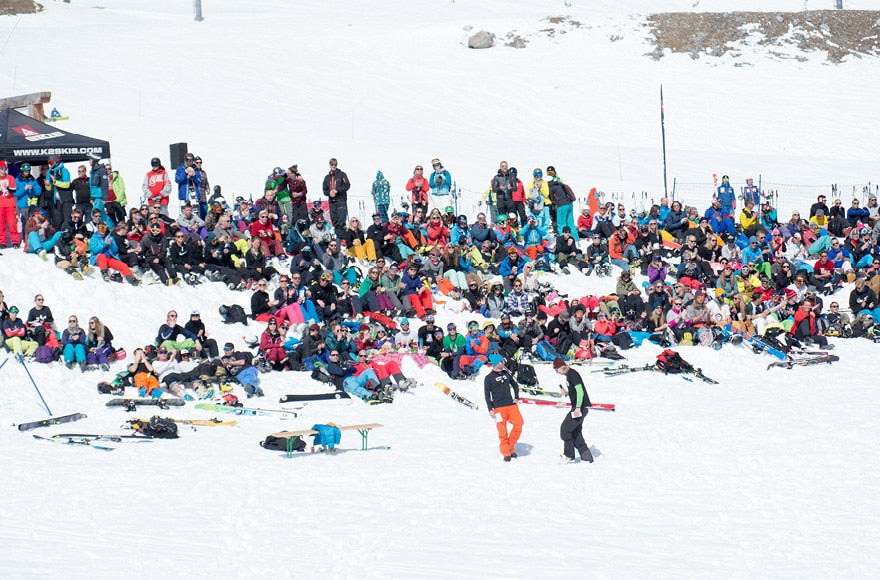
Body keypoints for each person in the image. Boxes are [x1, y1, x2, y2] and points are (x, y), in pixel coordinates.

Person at [553, 357, 594, 463]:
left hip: (580, 408)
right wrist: (566, 393)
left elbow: (580, 391)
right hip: (579, 407)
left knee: (565, 429)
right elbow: (575, 392)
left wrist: (578, 408)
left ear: (561, 367)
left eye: (556, 369)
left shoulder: (572, 374)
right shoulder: (569, 375)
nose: (556, 372)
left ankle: (569, 455)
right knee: (576, 433)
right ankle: (587, 456)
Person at [483, 354, 523, 462]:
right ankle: (506, 451)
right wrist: (490, 409)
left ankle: (511, 445)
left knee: (519, 423)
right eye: (501, 361)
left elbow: (515, 385)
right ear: (496, 363)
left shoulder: (506, 373)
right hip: (498, 408)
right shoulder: (488, 378)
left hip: (511, 405)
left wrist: (516, 397)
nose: (503, 363)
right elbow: (487, 395)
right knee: (502, 431)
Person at [322, 158, 350, 235]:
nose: (334, 166)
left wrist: (337, 190)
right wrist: (329, 193)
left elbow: (347, 185)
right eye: (332, 165)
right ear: (329, 165)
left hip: (341, 200)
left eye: (335, 165)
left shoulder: (342, 174)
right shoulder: (327, 177)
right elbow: (324, 190)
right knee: (334, 220)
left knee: (341, 221)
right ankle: (338, 238)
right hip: (332, 202)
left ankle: (343, 239)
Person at [0, 161, 20, 248]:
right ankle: (2, 242)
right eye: (2, 169)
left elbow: (14, 188)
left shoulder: (10, 177)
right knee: (1, 224)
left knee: (12, 224)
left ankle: (15, 241)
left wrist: (7, 188)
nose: (4, 171)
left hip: (10, 204)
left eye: (5, 169)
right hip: (0, 204)